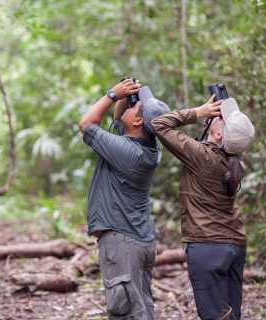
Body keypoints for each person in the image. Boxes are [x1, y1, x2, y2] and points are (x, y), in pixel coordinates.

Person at [152, 95, 255, 320]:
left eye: (220, 118)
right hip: (235, 244)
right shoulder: (234, 162)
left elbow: (159, 124)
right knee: (230, 314)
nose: (216, 115)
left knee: (214, 315)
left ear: (218, 134)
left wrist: (198, 112)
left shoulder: (203, 156)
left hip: (208, 246)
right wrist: (212, 117)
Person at [79, 78, 170, 320]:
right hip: (138, 240)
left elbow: (87, 124)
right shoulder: (146, 147)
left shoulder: (128, 153)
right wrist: (125, 96)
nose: (128, 107)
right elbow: (120, 122)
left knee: (127, 312)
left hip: (123, 242)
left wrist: (112, 94)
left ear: (139, 121)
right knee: (140, 308)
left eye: (134, 107)